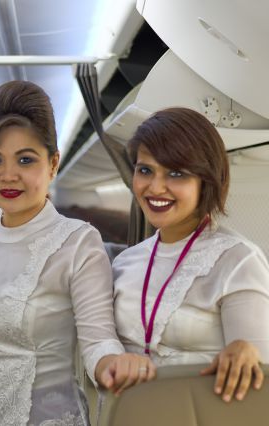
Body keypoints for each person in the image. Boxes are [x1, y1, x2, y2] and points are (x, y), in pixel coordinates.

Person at [0, 81, 155, 426]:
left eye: (25, 160)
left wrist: (114, 365)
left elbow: (99, 341)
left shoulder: (78, 242)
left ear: (53, 163)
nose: (8, 175)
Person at [113, 107, 269, 402]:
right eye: (145, 170)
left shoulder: (238, 261)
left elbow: (258, 381)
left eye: (176, 173)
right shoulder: (125, 262)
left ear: (206, 181)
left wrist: (247, 351)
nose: (155, 187)